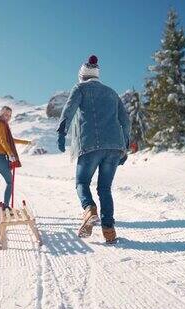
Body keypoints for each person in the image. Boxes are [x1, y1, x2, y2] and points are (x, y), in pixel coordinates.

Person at [57, 55, 130, 244]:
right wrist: (125, 145)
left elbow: (69, 109)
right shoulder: (112, 93)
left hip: (90, 145)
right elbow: (125, 121)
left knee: (81, 183)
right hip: (115, 147)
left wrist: (62, 131)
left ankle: (89, 209)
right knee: (105, 189)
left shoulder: (80, 88)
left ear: (82, 76)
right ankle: (109, 231)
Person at [0, 106, 32, 222]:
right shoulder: (2, 124)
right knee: (10, 182)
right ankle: (6, 207)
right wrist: (11, 155)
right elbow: (4, 141)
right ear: (1, 114)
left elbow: (9, 139)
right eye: (6, 114)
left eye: (10, 115)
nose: (8, 117)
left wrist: (26, 142)